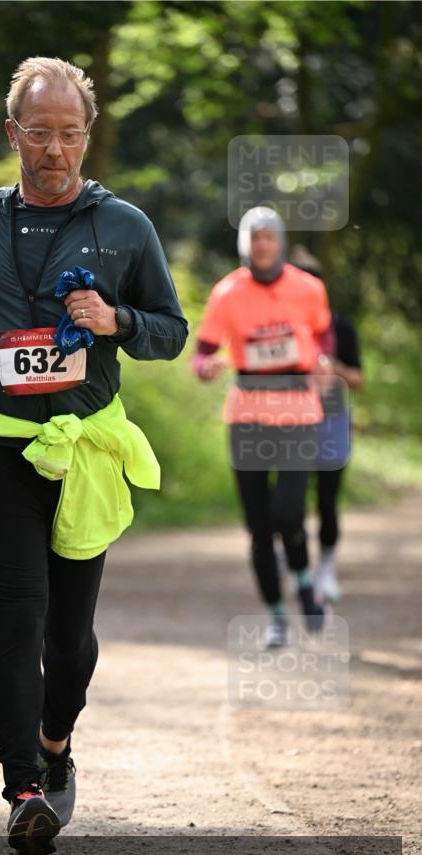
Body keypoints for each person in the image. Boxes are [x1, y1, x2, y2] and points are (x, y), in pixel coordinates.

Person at [0, 57, 187, 855]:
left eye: (70, 134)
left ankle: (57, 742)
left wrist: (115, 322)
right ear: (13, 134)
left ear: (86, 136)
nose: (55, 149)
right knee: (18, 616)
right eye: (39, 133)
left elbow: (168, 332)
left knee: (68, 638)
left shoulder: (125, 227)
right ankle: (24, 789)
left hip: (83, 451)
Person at [191, 207, 333, 648]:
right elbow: (203, 350)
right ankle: (276, 615)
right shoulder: (227, 292)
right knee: (258, 526)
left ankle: (305, 579)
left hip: (298, 411)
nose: (263, 245)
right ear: (245, 244)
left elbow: (324, 334)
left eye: (270, 237)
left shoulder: (309, 288)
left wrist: (325, 359)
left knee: (288, 513)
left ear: (282, 242)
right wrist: (205, 367)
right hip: (248, 413)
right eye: (256, 238)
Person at [288, 245, 364, 602]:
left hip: (332, 420)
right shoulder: (282, 329)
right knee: (291, 500)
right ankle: (298, 568)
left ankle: (327, 570)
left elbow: (359, 378)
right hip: (288, 421)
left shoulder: (341, 327)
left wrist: (335, 369)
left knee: (328, 500)